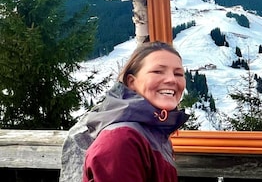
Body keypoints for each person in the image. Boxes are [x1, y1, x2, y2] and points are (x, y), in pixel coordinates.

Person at [60, 41, 189, 182]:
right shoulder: (122, 139)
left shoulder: (152, 131)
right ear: (131, 82)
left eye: (178, 74)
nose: (171, 79)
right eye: (157, 71)